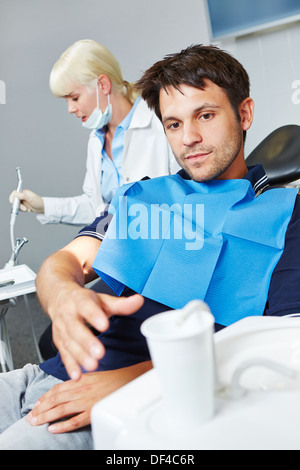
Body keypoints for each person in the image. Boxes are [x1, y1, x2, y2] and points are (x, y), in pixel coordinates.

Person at [1, 44, 300, 450]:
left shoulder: (286, 214)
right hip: (42, 376)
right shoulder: (143, 196)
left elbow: (283, 342)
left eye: (205, 115)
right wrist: (63, 296)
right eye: (173, 125)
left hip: (132, 402)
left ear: (244, 114)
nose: (189, 138)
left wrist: (132, 382)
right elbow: (66, 261)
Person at [9, 39, 178, 225]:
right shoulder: (96, 140)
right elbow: (95, 207)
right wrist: (43, 206)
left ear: (103, 85)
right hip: (119, 247)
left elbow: (188, 194)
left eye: (74, 98)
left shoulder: (160, 122)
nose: (70, 109)